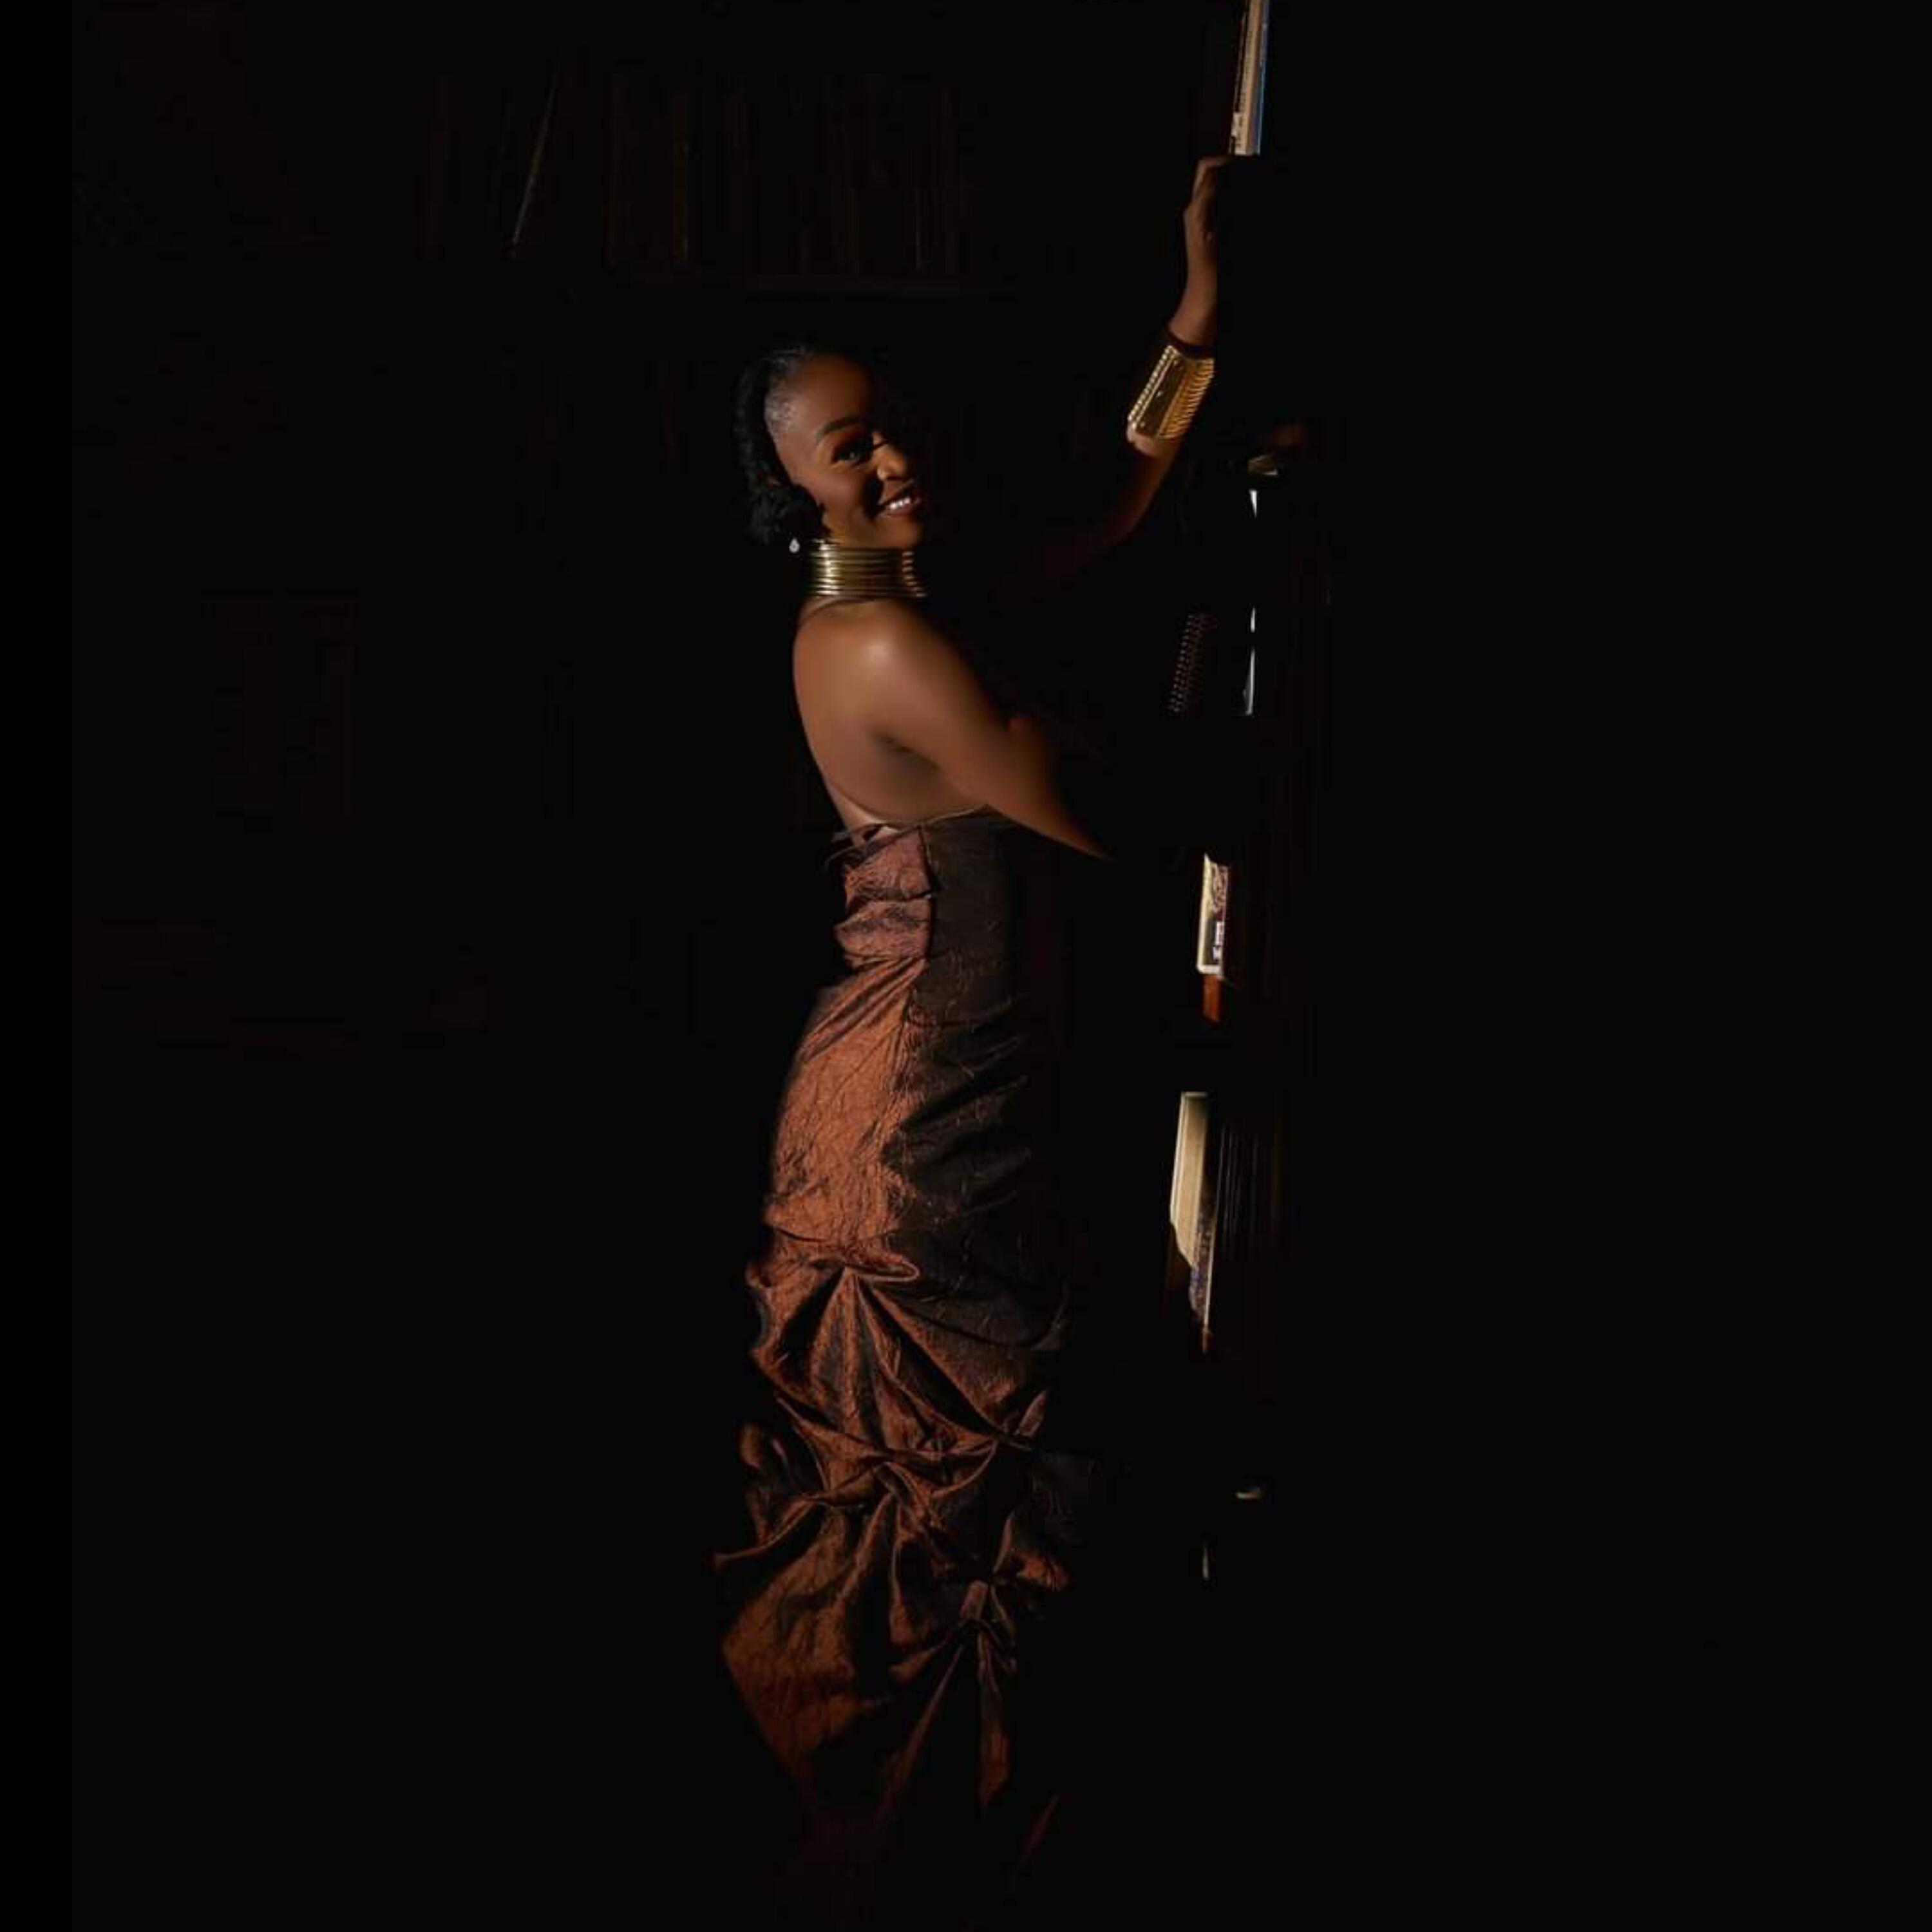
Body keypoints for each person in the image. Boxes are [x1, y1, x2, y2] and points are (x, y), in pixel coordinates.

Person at [711, 156, 1239, 1929]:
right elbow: (1121, 817)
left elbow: (1111, 506)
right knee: (977, 1513)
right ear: (792, 490)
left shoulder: (927, 595)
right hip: (916, 1127)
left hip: (942, 1084)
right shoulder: (880, 645)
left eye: (900, 423)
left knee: (1018, 1493)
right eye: (849, 447)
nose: (895, 459)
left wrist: (1197, 317)